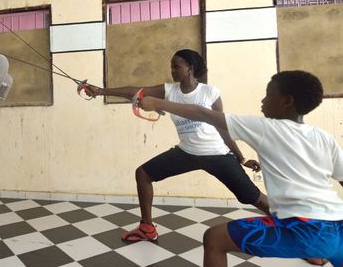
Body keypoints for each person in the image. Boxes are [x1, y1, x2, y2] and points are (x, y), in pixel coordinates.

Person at [139, 70, 343, 267]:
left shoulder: (266, 128)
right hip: (338, 225)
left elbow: (203, 114)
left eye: (268, 95)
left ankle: (315, 249)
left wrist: (156, 102)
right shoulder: (324, 137)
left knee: (214, 239)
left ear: (287, 101)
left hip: (306, 228)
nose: (262, 101)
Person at [85, 49, 269, 243]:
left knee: (253, 197)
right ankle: (147, 228)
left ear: (190, 68)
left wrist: (241, 158)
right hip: (186, 152)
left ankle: (299, 232)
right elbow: (135, 91)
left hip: (216, 154)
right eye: (171, 66)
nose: (172, 70)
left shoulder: (210, 92)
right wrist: (101, 91)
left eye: (177, 66)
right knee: (143, 173)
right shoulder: (169, 91)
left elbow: (222, 128)